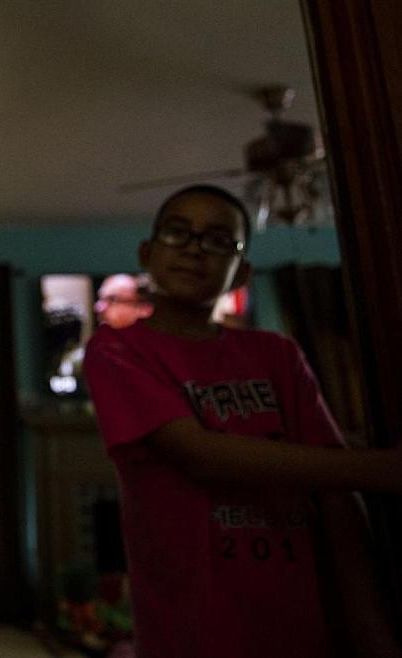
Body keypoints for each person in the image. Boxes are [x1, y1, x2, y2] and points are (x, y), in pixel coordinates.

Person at [83, 184, 402, 658]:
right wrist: (383, 469)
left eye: (218, 240)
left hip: (309, 625)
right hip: (196, 628)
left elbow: (336, 495)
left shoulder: (276, 353)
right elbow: (201, 456)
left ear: (242, 273)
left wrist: (374, 635)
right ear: (147, 252)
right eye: (177, 233)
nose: (194, 248)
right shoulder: (116, 350)